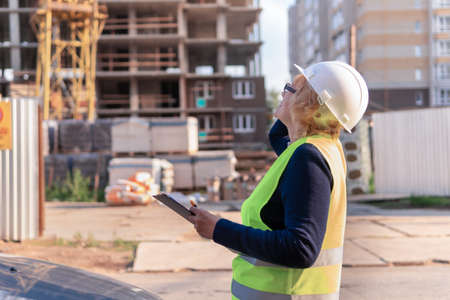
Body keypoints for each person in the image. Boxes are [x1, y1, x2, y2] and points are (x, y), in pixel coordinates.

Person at [188, 61, 369, 300]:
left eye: (291, 89)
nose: (283, 92)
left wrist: (218, 229)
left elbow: (300, 248)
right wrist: (295, 114)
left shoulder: (308, 158)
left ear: (312, 104)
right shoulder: (321, 147)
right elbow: (277, 136)